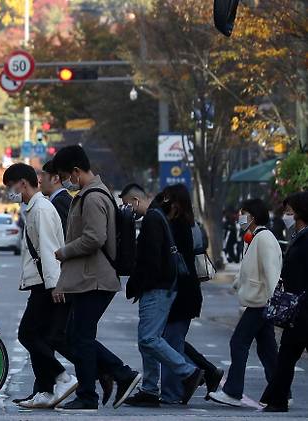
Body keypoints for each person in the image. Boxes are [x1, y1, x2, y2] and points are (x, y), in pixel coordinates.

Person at [51, 145, 141, 411]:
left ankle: (92, 394)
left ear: (76, 171)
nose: (66, 181)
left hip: (96, 278)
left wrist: (64, 251)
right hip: (90, 277)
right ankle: (119, 375)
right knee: (77, 335)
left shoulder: (92, 197)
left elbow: (94, 238)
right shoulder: (91, 194)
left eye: (66, 175)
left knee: (81, 337)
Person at [120, 184, 223, 404]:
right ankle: (158, 388)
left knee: (155, 340)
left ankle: (183, 379)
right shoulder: (171, 221)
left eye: (128, 205)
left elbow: (151, 260)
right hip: (173, 289)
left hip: (169, 290)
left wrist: (140, 284)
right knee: (156, 340)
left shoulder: (160, 221)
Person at [2, 163, 78, 409]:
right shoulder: (34, 208)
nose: (10, 193)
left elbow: (48, 249)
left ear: (22, 183)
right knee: (38, 336)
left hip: (47, 283)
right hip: (43, 282)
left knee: (27, 334)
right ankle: (45, 390)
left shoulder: (41, 209)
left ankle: (62, 378)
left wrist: (55, 285)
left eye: (10, 187)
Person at [208, 198, 282, 407]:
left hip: (261, 303)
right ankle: (281, 390)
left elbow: (271, 272)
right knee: (267, 349)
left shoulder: (264, 238)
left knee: (238, 343)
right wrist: (237, 283)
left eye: (244, 213)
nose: (240, 217)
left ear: (253, 215)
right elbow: (250, 269)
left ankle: (232, 391)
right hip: (259, 301)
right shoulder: (255, 237)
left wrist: (272, 301)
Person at [260, 191, 308, 412]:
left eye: (290, 211)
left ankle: (277, 399)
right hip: (297, 308)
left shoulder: (306, 238)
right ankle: (276, 399)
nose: (286, 215)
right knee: (287, 353)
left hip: (303, 307)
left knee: (288, 353)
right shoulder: (298, 235)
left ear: (300, 212)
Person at [39, 160, 73, 236]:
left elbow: (64, 236)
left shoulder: (59, 202)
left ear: (55, 179)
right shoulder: (63, 198)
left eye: (43, 176)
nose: (40, 181)